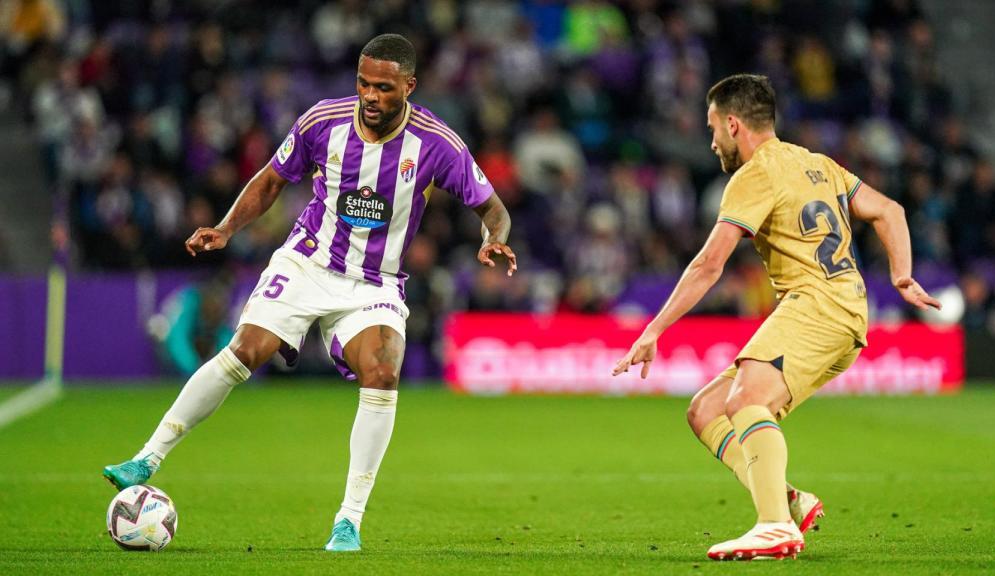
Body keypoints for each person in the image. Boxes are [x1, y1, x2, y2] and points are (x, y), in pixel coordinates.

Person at [103, 34, 517, 552]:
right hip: (307, 263)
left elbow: (493, 208)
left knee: (383, 371)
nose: (370, 94)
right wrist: (227, 228)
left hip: (374, 284)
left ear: (409, 86)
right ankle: (147, 458)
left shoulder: (438, 143)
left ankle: (349, 520)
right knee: (244, 352)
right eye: (363, 82)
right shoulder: (323, 120)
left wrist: (493, 240)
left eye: (384, 87)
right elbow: (272, 179)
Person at [612, 74, 939, 561]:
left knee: (747, 398)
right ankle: (786, 500)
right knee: (706, 410)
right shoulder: (816, 163)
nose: (712, 141)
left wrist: (654, 329)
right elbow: (889, 210)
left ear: (733, 123)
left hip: (817, 304)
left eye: (713, 129)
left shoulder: (754, 174)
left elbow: (709, 264)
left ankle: (773, 526)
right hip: (844, 308)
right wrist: (902, 276)